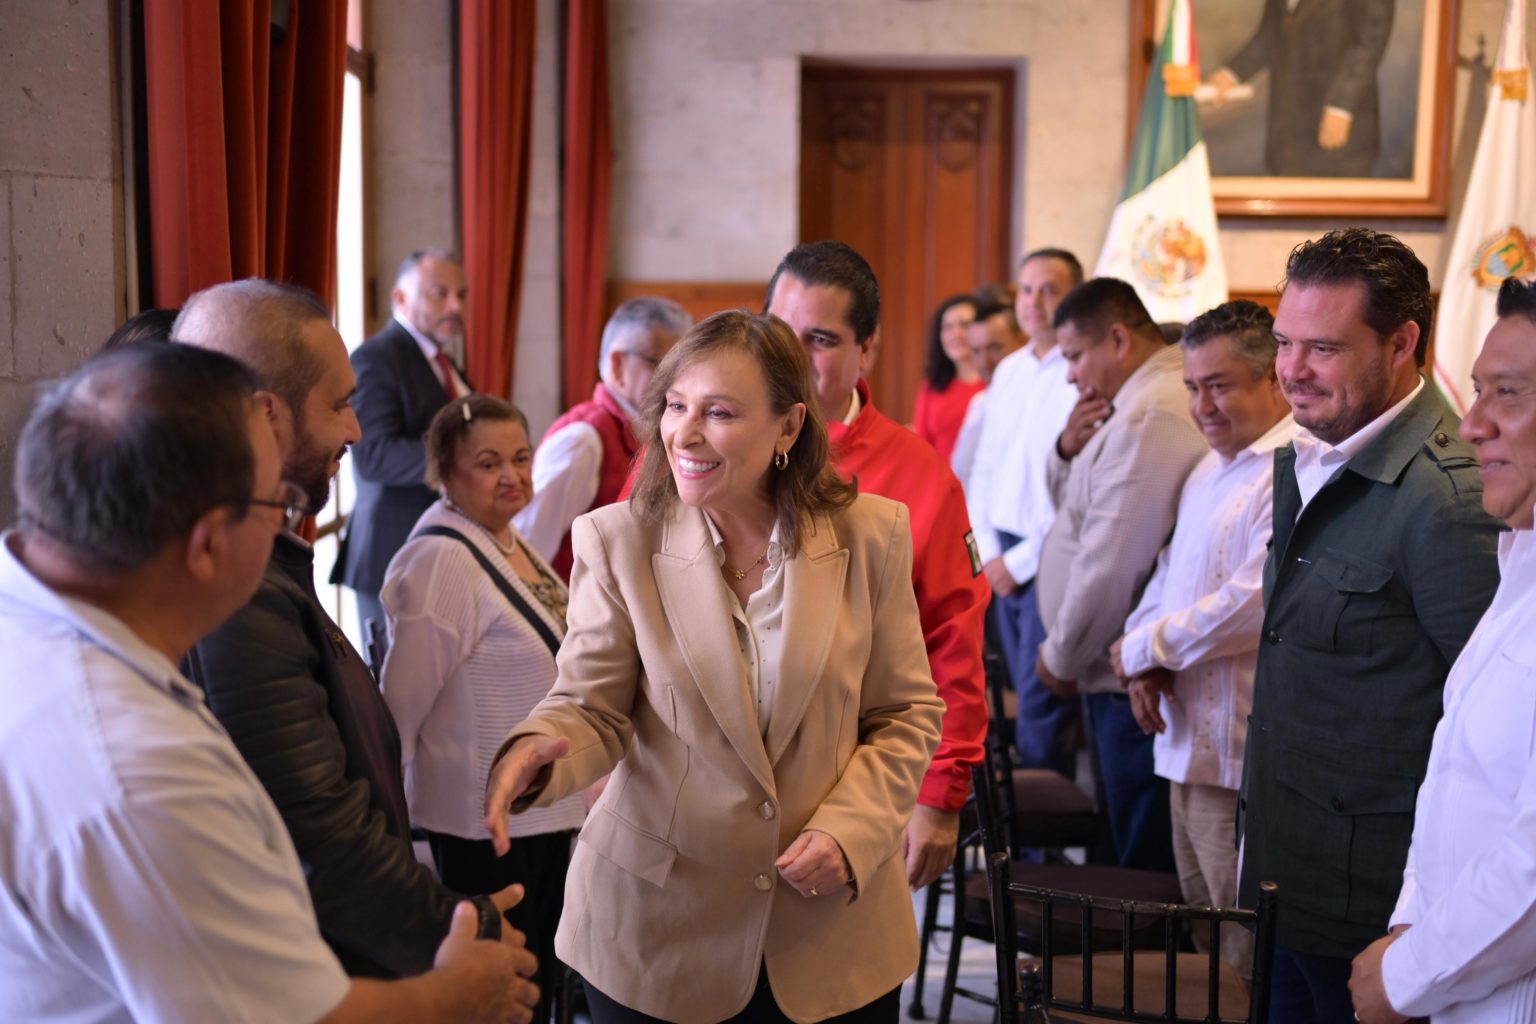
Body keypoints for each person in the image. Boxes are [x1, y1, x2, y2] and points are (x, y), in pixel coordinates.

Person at [0, 342, 539, 1024]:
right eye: (278, 504)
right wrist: (456, 995)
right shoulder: (146, 774)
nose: (289, 531)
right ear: (207, 545)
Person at [483, 310, 944, 1023]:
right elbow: (591, 704)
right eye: (675, 406)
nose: (684, 434)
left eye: (719, 413)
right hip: (656, 932)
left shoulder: (871, 535)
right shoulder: (617, 540)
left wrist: (851, 830)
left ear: (789, 427)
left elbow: (905, 714)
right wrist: (539, 749)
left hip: (829, 939)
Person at [174, 280, 516, 978]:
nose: (355, 432)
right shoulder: (237, 592)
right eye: (338, 405)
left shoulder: (259, 564)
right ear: (267, 417)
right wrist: (460, 928)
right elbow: (319, 834)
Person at [1236, 228, 1502, 1023]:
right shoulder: (1313, 452)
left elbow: (1495, 737)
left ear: (1402, 343)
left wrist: (1426, 936)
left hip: (1374, 913)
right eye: (1284, 342)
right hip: (1288, 877)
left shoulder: (1449, 499)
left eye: (1323, 348)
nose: (1291, 370)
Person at [765, 240, 989, 891]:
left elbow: (952, 640)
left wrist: (940, 793)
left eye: (820, 340)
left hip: (852, 785)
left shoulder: (920, 476)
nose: (792, 358)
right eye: (779, 332)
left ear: (866, 350)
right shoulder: (707, 445)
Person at [1349, 278, 1536, 1023]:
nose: (1473, 424)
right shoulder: (1517, 562)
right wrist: (1411, 925)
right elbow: (1456, 779)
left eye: (1508, 395)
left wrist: (1407, 975)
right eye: (1478, 391)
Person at [382, 394, 583, 1023]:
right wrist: (386, 816)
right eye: (489, 463)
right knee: (506, 995)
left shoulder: (505, 539)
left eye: (521, 458)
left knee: (538, 983)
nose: (512, 476)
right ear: (446, 473)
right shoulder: (442, 557)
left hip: (535, 808)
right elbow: (401, 702)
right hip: (480, 821)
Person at [1108, 300, 1295, 976]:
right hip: (1182, 741)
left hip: (1238, 753)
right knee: (1200, 930)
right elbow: (1167, 577)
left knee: (1241, 944)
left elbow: (1250, 603)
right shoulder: (1205, 470)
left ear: (1272, 379)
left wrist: (1141, 649)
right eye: (1192, 387)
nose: (1202, 406)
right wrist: (1143, 661)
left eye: (1219, 385)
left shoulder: (1291, 471)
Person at [1035, 277, 1208, 871]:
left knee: (1134, 865)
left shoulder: (1151, 412)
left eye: (1074, 356)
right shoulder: (1129, 402)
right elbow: (1075, 511)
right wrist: (1067, 449)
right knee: (1118, 847)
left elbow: (1112, 562)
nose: (1069, 375)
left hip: (1125, 674)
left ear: (1117, 340)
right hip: (1111, 671)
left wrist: (1061, 655)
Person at [964, 249, 1084, 779]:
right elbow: (984, 467)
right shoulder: (1010, 370)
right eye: (1027, 289)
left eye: (1050, 289)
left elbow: (1077, 488)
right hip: (1000, 551)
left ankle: (1044, 824)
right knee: (1011, 691)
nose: (1035, 301)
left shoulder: (1079, 368)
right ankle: (1029, 815)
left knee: (1041, 704)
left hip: (1048, 554)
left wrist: (1019, 562)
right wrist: (989, 553)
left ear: (1074, 296)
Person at [339, 248, 472, 630]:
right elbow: (374, 455)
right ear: (400, 297)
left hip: (436, 547)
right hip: (392, 550)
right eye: (439, 293)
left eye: (461, 294)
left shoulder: (441, 359)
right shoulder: (377, 357)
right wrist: (466, 460)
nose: (455, 306)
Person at [515, 297, 691, 579]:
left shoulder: (650, 433)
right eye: (662, 365)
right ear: (618, 365)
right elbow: (526, 550)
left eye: (682, 368)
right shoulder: (582, 440)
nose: (676, 381)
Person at [1206, 0, 1394, 178]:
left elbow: (1370, 41)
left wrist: (1341, 105)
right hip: (1287, 132)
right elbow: (1270, 34)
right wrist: (1231, 74)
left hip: (1337, 126)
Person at [912, 293, 982, 462]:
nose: (956, 333)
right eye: (948, 327)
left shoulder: (998, 383)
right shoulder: (932, 386)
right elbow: (921, 447)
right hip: (939, 477)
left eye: (965, 325)